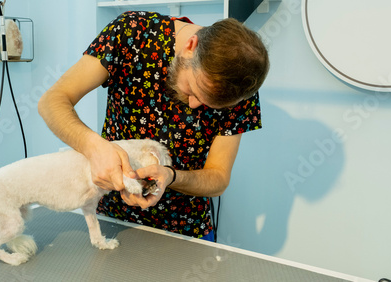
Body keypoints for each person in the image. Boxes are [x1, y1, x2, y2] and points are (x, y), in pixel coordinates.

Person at [38, 11, 269, 240]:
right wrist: (94, 148)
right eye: (193, 89)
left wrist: (171, 176)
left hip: (186, 232)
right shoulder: (131, 32)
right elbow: (53, 101)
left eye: (211, 105)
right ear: (191, 46)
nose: (194, 105)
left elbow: (218, 178)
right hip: (114, 219)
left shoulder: (240, 88)